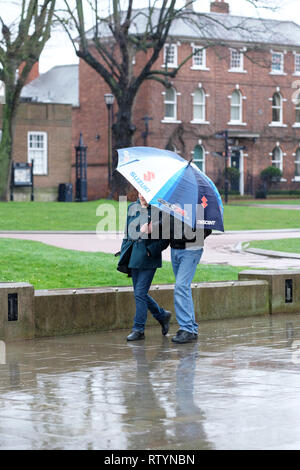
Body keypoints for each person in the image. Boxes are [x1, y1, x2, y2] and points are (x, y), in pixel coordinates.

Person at [117, 193, 171, 341]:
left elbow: (165, 239)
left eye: (145, 193)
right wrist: (123, 251)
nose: (142, 196)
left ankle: (138, 329)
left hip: (149, 259)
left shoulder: (159, 212)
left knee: (140, 293)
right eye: (140, 193)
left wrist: (150, 250)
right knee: (140, 294)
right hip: (134, 257)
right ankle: (162, 315)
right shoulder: (132, 208)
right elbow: (127, 234)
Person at [170, 217, 211, 344]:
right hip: (175, 248)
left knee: (181, 286)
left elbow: (208, 227)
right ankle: (191, 329)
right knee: (184, 288)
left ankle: (186, 329)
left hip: (192, 248)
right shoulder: (173, 200)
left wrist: (195, 235)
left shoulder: (200, 201)